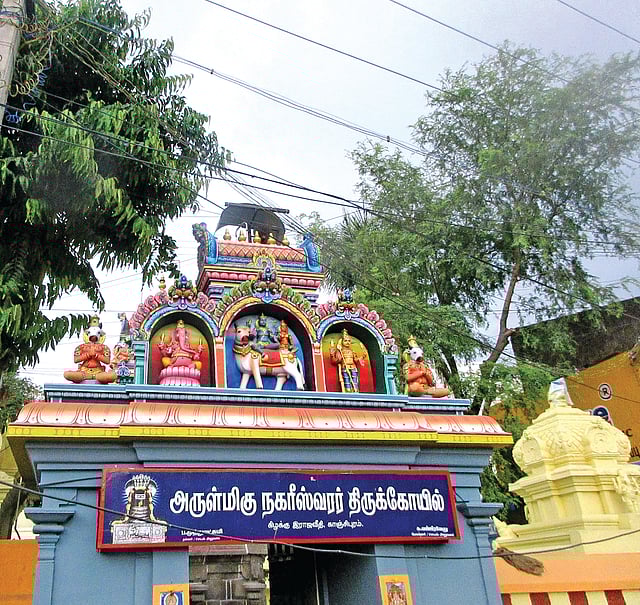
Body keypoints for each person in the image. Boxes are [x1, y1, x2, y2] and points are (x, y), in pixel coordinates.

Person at [63, 315, 115, 384]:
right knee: (67, 374)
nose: (93, 337)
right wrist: (88, 355)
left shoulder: (104, 347)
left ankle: (96, 376)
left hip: (99, 372)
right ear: (87, 334)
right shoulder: (81, 347)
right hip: (84, 371)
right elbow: (76, 360)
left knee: (112, 376)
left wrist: (96, 355)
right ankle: (87, 376)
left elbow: (107, 361)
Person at [330, 329, 364, 393]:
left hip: (353, 367)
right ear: (342, 342)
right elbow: (336, 359)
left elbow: (355, 360)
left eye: (349, 341)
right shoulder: (341, 351)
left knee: (355, 382)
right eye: (345, 341)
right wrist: (335, 350)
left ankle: (355, 391)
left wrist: (361, 357)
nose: (347, 342)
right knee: (347, 381)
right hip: (345, 367)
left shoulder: (352, 351)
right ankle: (348, 391)